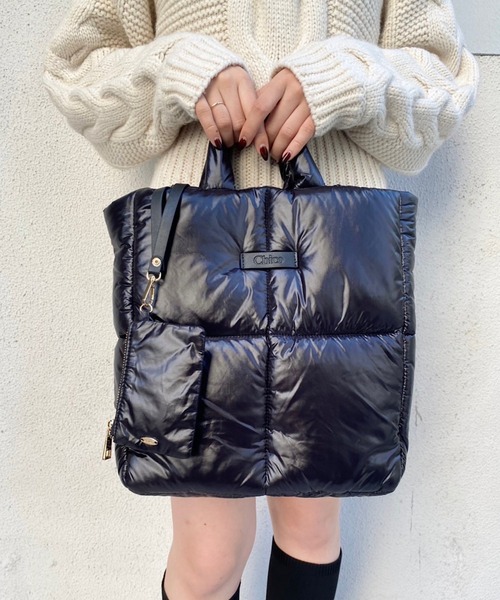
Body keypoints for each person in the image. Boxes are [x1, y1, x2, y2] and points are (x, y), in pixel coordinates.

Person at [43, 1, 479, 599]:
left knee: (309, 530)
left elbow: (445, 78)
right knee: (210, 556)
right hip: (193, 271)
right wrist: (181, 67)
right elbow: (75, 68)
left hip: (336, 268)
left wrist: (343, 78)